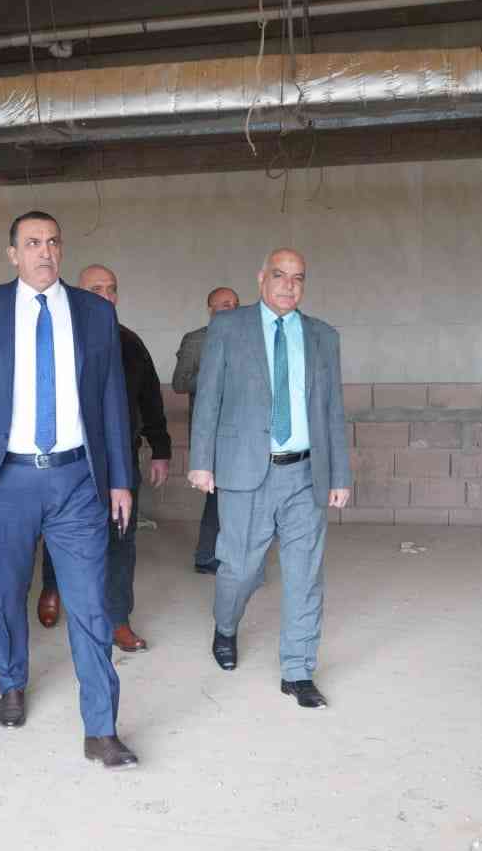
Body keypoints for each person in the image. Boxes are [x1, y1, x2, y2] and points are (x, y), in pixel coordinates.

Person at [0, 210, 139, 769]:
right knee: (7, 592)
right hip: (5, 478)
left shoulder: (94, 313)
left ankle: (101, 727)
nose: (45, 252)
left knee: (89, 603)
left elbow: (112, 399)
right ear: (13, 254)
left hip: (76, 478)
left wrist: (120, 478)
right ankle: (11, 682)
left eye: (53, 241)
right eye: (32, 243)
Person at [187, 248, 351, 709]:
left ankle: (298, 671)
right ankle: (225, 626)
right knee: (239, 570)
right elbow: (209, 398)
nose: (288, 285)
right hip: (245, 471)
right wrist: (201, 461)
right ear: (261, 278)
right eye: (279, 275)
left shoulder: (323, 336)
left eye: (298, 278)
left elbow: (332, 410)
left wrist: (340, 473)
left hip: (306, 472)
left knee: (305, 575)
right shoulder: (228, 328)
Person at [38, 265, 170, 652]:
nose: (106, 296)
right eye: (97, 289)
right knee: (62, 531)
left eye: (112, 289)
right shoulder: (58, 337)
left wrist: (160, 449)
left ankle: (118, 619)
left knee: (120, 539)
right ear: (78, 294)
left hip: (119, 460)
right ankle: (51, 588)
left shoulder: (130, 343)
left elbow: (150, 400)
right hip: (70, 461)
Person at [172, 287, 241, 575]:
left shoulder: (250, 338)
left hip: (244, 432)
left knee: (236, 494)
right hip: (211, 431)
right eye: (224, 304)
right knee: (217, 495)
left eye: (235, 304)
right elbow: (180, 382)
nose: (231, 308)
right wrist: (214, 375)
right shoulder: (196, 340)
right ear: (210, 309)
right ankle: (208, 555)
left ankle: (223, 554)